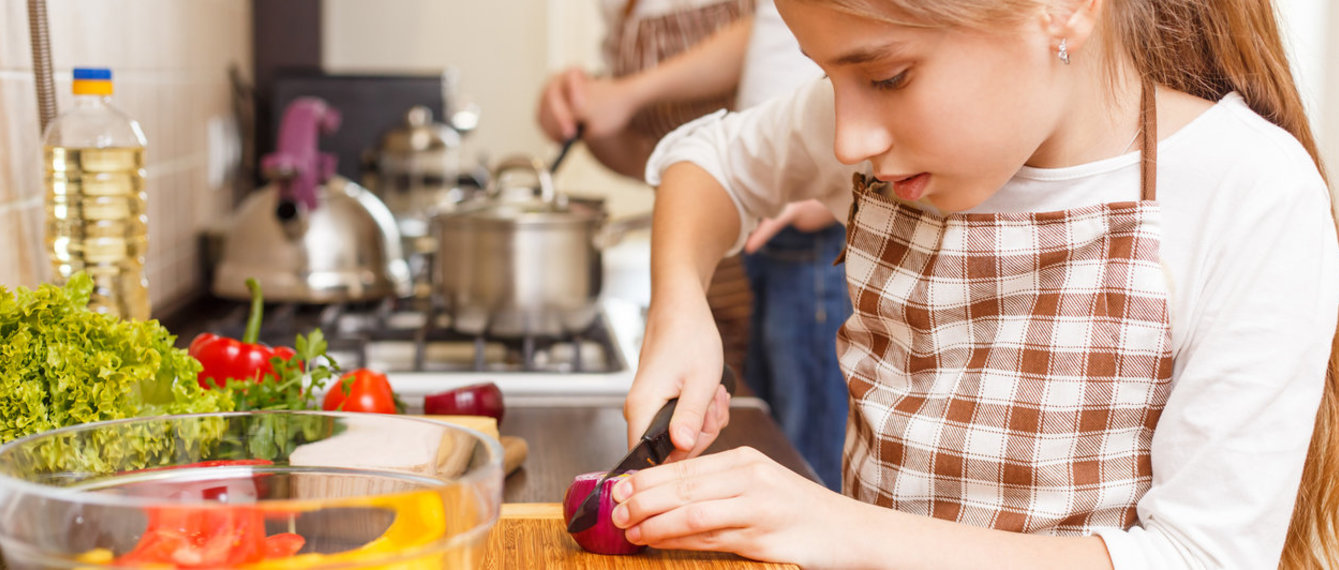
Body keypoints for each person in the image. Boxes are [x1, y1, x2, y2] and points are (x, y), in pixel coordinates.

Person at [615, 0, 1339, 568]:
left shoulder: (1250, 194)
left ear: (1061, 10)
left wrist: (828, 524)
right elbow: (710, 157)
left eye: (886, 76)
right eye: (824, 74)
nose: (846, 140)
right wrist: (678, 307)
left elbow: (1195, 558)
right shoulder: (880, 142)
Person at [537, 0, 853, 488]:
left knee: (803, 453)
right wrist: (585, 122)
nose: (855, 143)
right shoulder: (619, 12)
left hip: (789, 244)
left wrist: (626, 93)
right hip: (715, 246)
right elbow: (671, 156)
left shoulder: (830, 130)